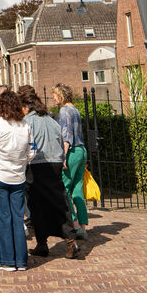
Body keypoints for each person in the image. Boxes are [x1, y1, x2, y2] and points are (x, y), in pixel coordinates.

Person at [19, 86, 78, 259]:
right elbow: (61, 140)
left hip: (36, 165)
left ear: (25, 107)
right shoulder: (52, 120)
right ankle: (70, 241)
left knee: (37, 206)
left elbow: (25, 146)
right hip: (55, 163)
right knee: (60, 202)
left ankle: (42, 243)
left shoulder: (27, 122)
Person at [0, 89, 33, 271]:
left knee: (3, 218)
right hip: (18, 177)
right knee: (18, 218)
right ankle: (21, 260)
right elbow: (32, 151)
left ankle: (8, 260)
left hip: (0, 176)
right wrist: (21, 163)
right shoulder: (25, 126)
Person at [54, 83, 88, 239]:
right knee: (78, 189)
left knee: (65, 188)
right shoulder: (75, 109)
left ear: (60, 95)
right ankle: (83, 226)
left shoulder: (64, 110)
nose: (53, 97)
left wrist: (64, 157)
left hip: (72, 152)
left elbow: (66, 136)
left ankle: (74, 225)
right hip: (82, 150)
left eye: (55, 94)